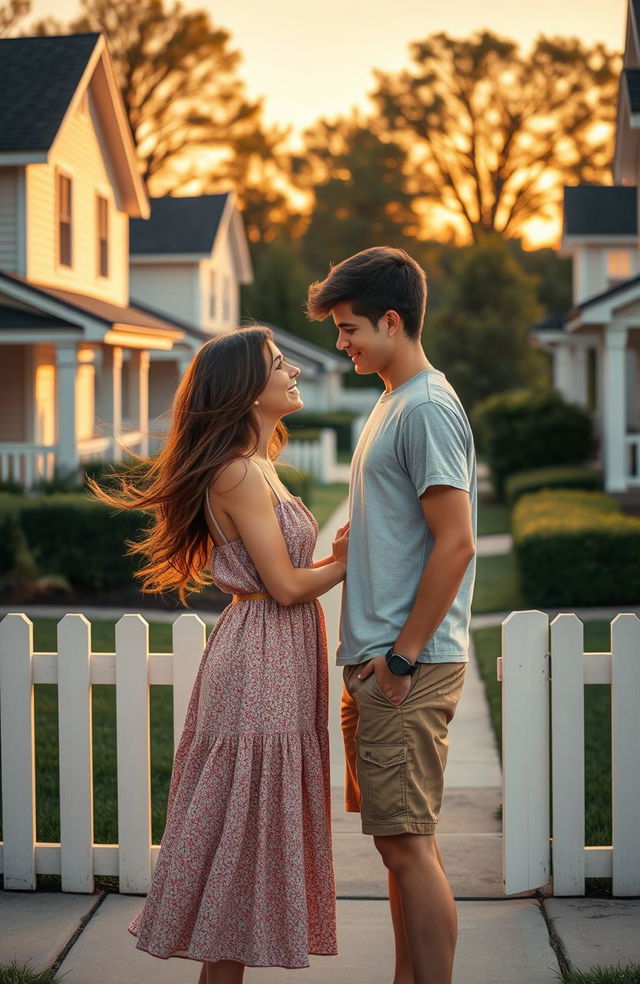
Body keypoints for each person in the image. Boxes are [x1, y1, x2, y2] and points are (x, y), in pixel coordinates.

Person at [87, 325, 347, 983]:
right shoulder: (235, 471)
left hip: (277, 649)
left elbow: (281, 573)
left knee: (255, 822)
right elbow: (285, 586)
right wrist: (344, 563)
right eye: (280, 365)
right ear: (246, 389)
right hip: (259, 650)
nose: (293, 373)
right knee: (244, 821)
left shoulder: (258, 463)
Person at [307, 247, 477, 984]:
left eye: (349, 329)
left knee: (408, 848)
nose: (340, 343)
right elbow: (413, 531)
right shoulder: (392, 400)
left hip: (406, 666)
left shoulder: (428, 407)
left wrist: (403, 657)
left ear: (391, 320)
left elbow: (458, 542)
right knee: (402, 846)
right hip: (380, 665)